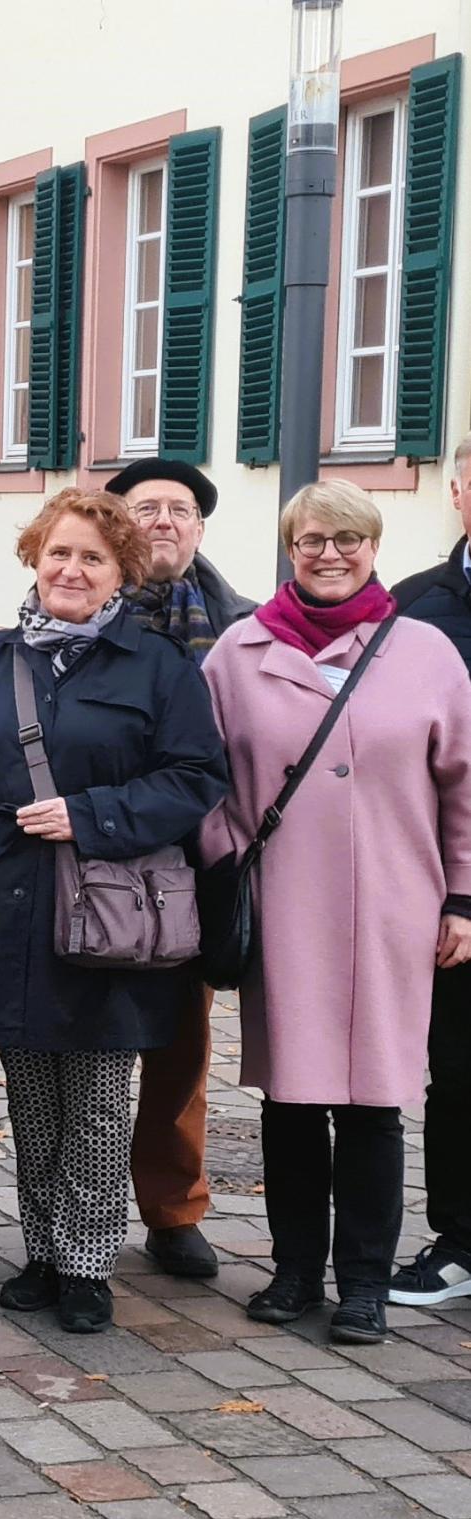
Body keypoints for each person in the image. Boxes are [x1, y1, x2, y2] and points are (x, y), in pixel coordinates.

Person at [0, 488, 225, 1335]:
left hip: (106, 912)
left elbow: (196, 778)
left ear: (119, 572)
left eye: (93, 557)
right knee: (30, 1093)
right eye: (60, 552)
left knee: (96, 1095)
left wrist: (90, 817)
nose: (72, 569)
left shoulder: (156, 667)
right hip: (5, 905)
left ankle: (89, 1264)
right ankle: (44, 1249)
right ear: (34, 555)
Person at [201, 480, 471, 1345]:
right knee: (290, 1097)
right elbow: (200, 778)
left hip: (398, 906)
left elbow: (465, 787)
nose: (329, 553)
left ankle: (362, 1281)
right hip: (283, 907)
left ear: (372, 546)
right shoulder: (238, 652)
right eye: (313, 538)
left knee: (373, 1104)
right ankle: (292, 1271)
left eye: (348, 539)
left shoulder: (425, 651)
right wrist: (226, 857)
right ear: (290, 545)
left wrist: (463, 896)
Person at [101, 456, 255, 1281]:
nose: (164, 519)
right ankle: (73, 1206)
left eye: (181, 509)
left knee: (180, 1045)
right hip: (93, 858)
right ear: (119, 523)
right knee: (86, 1040)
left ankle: (172, 1206)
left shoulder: (243, 629)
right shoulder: (82, 614)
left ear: (199, 528)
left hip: (196, 863)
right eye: (147, 507)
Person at [390, 434, 471, 1311]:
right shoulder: (415, 610)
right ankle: (461, 1239)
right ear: (458, 491)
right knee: (459, 1068)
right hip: (455, 881)